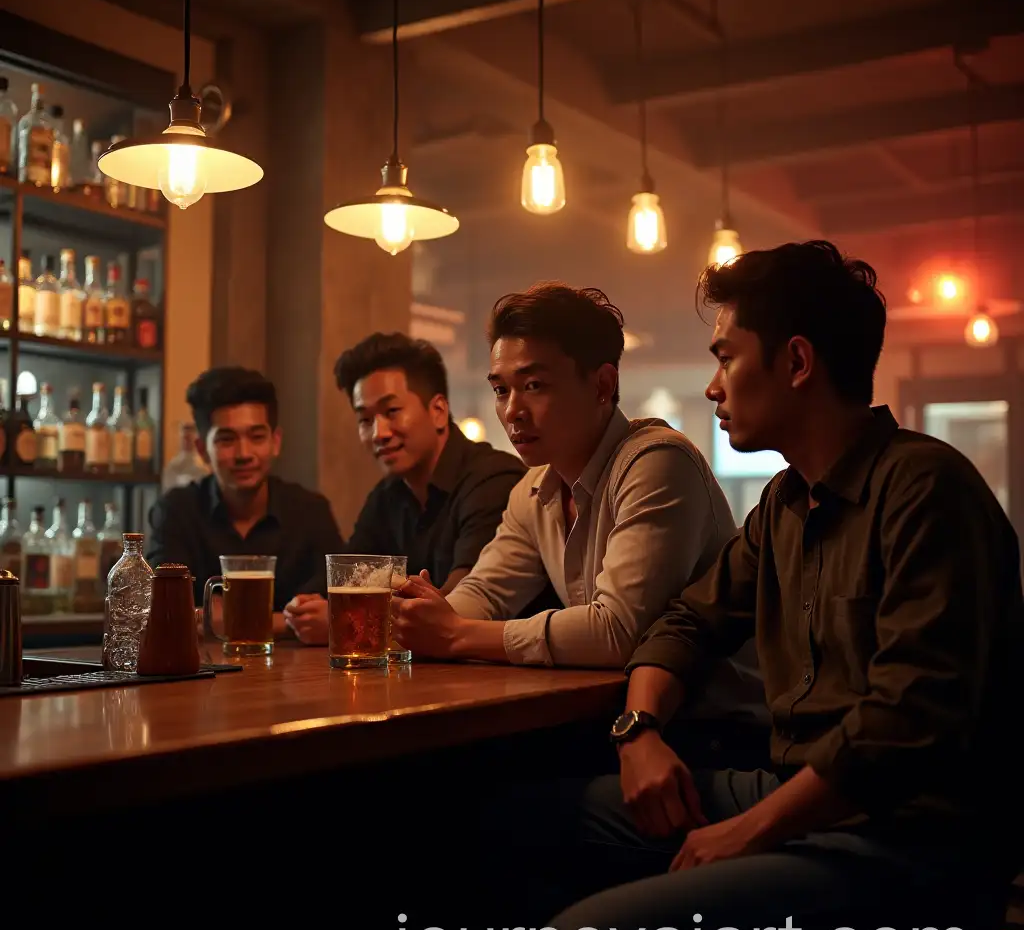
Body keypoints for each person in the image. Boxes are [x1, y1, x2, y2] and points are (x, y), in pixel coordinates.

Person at [500, 241, 1023, 930]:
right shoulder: (784, 504)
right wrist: (639, 732)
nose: (712, 387)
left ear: (798, 362)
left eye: (726, 357)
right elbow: (684, 623)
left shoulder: (926, 489)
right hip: (789, 798)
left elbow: (906, 728)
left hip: (905, 847)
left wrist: (747, 833)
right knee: (509, 821)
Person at [391, 282, 767, 762]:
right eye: (502, 390)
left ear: (602, 386)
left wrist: (456, 634)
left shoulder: (656, 462)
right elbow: (484, 593)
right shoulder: (535, 489)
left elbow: (618, 631)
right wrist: (422, 617)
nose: (512, 412)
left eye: (534, 386)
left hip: (718, 734)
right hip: (626, 727)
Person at [283, 332, 553, 644]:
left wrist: (344, 622)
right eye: (365, 419)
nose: (379, 433)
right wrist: (300, 610)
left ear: (438, 411)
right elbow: (342, 579)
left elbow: (456, 606)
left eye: (392, 411)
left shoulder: (493, 479)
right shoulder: (387, 496)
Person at [148, 367, 343, 637]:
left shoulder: (310, 510)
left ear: (275, 442)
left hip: (296, 676)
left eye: (257, 437)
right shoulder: (176, 511)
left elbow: (329, 610)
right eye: (226, 440)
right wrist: (285, 622)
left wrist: (224, 620)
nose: (244, 454)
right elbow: (170, 611)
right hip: (204, 673)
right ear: (203, 450)